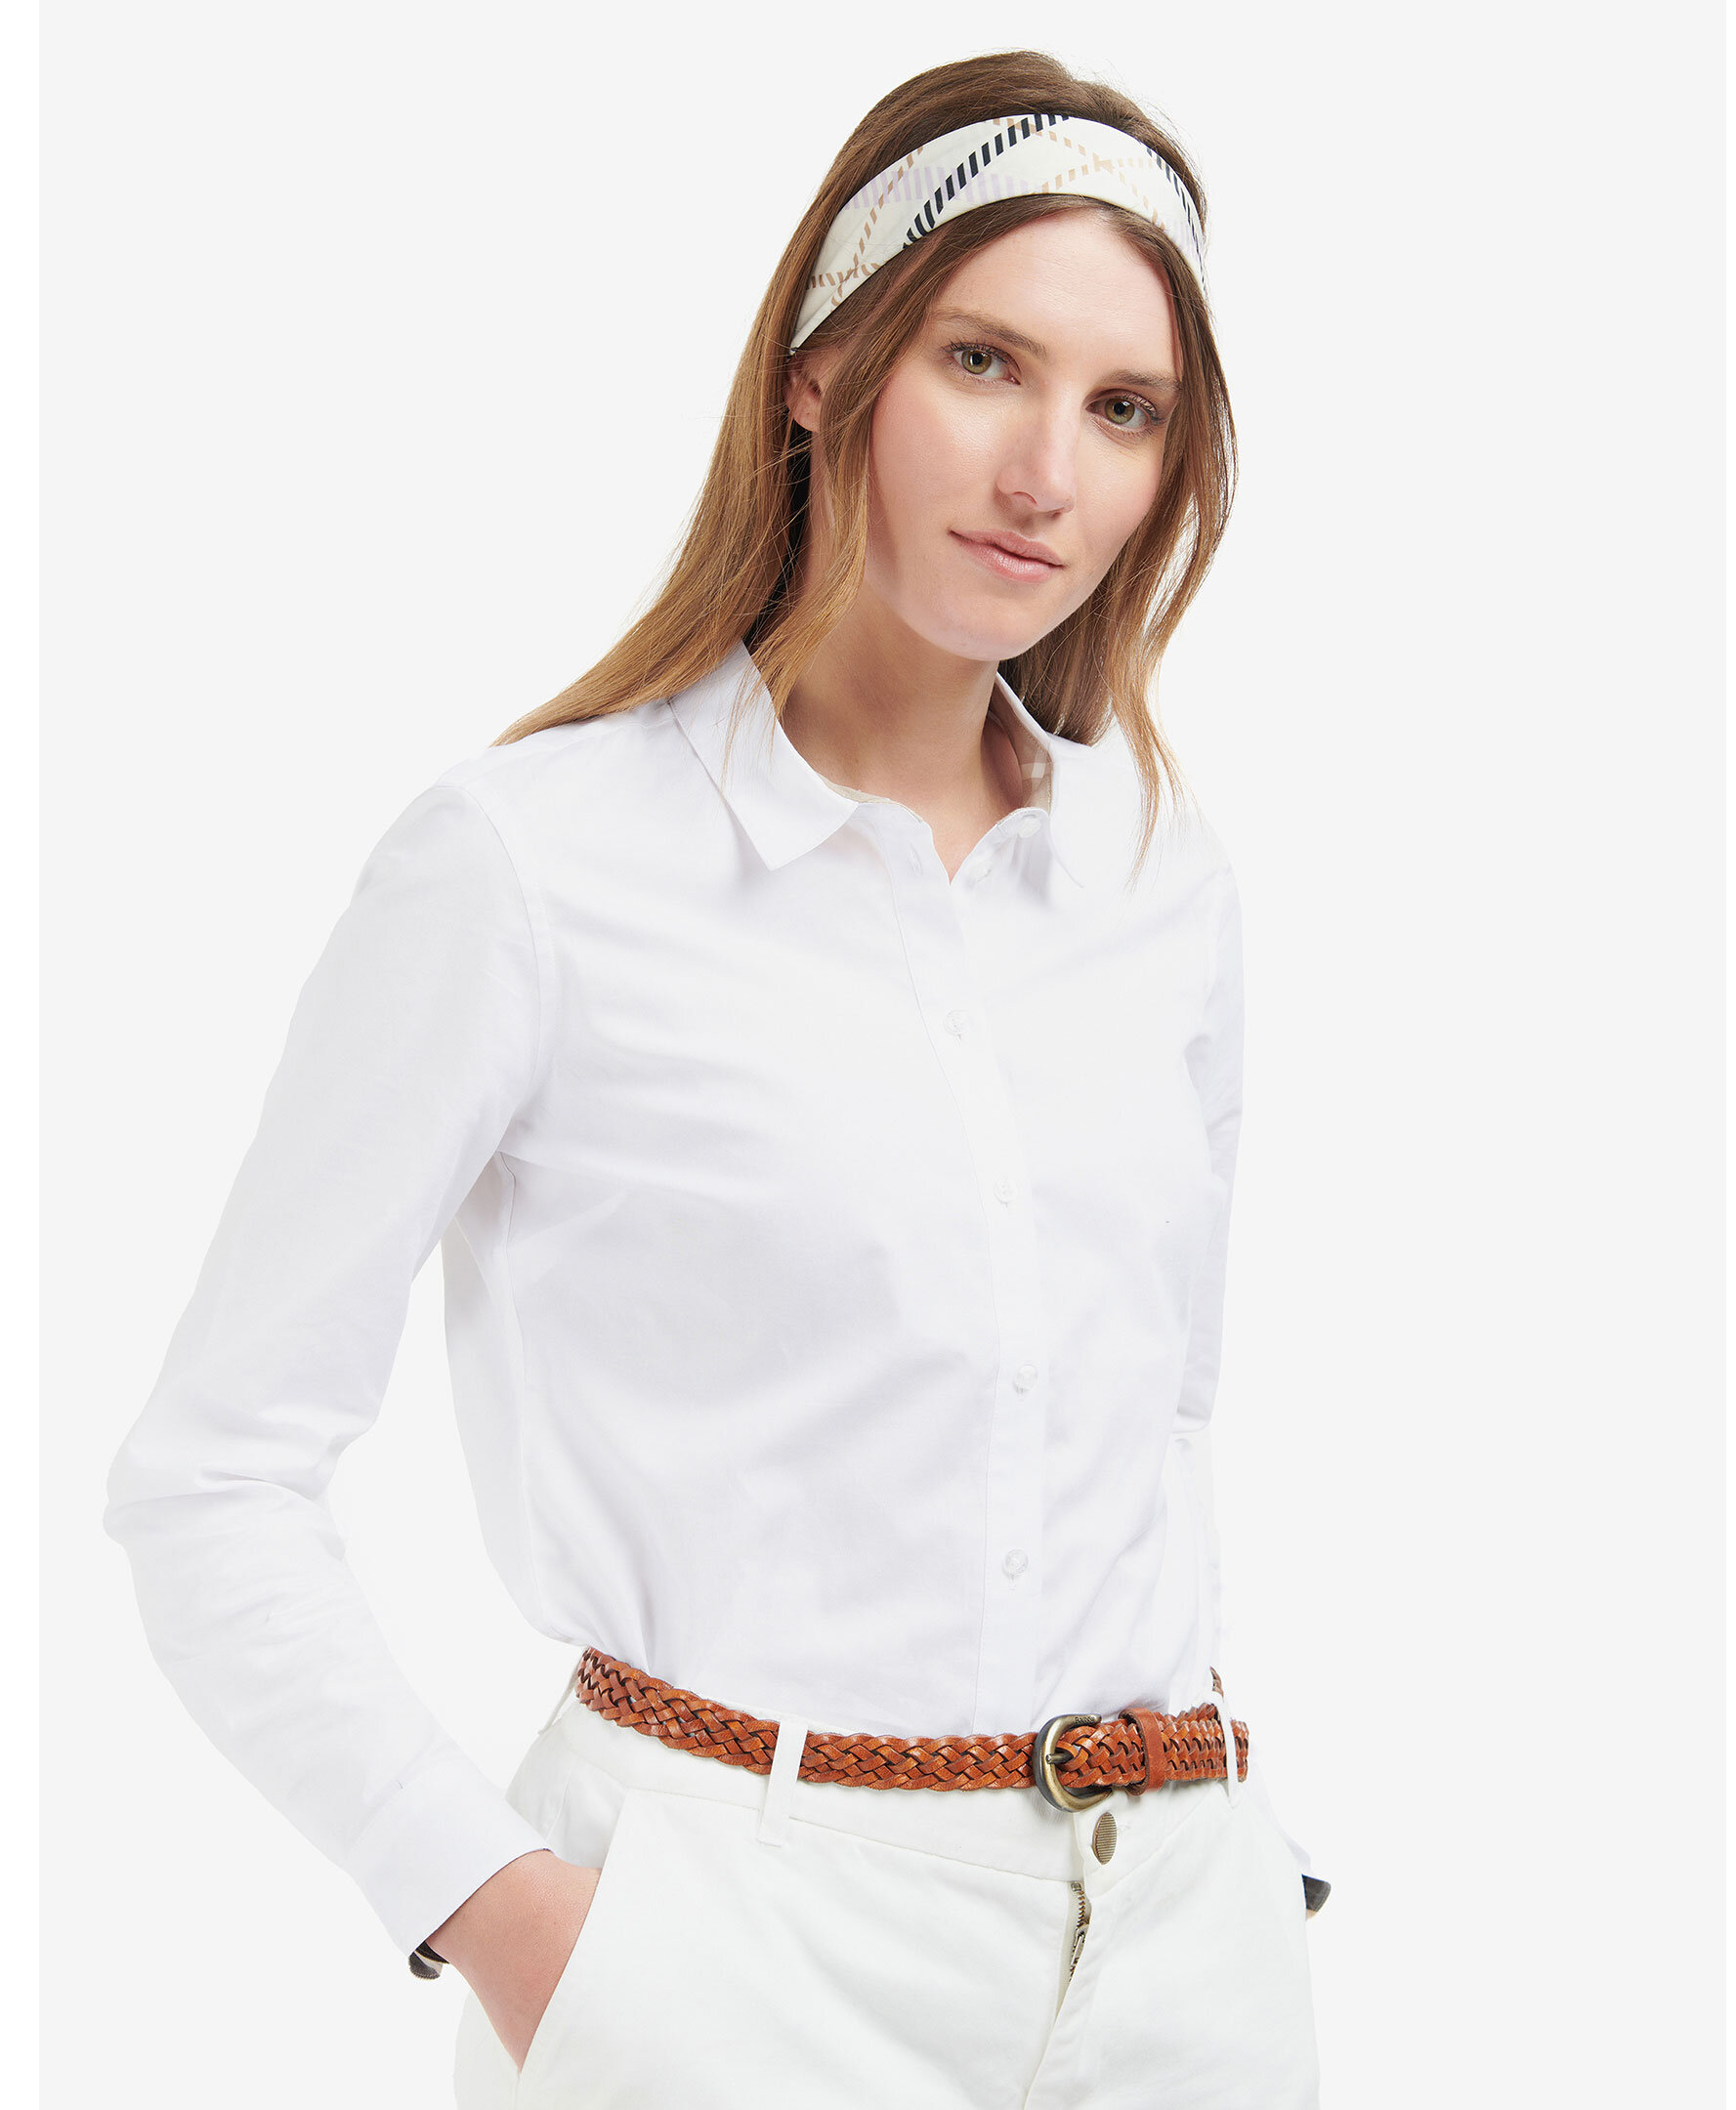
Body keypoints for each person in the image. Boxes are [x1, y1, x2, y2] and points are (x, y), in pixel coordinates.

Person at [106, 49, 1325, 2109]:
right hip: (730, 1952)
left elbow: (1157, 1416)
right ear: (822, 371)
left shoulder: (1156, 876)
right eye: (982, 362)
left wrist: (1226, 1865)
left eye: (1124, 410)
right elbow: (210, 1479)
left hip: (1182, 1954)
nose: (1046, 472)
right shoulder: (531, 866)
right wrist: (515, 1925)